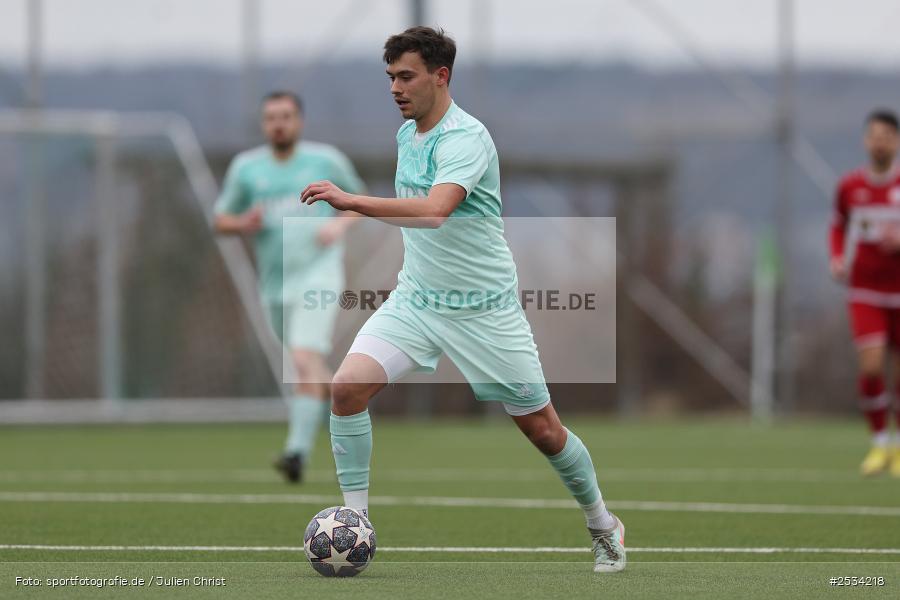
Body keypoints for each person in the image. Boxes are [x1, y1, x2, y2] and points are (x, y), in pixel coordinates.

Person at [300, 27, 625, 572]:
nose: (396, 88)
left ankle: (602, 525)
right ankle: (356, 526)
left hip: (485, 312)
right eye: (390, 78)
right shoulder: (408, 135)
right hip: (418, 301)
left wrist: (350, 199)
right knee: (347, 389)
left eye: (406, 76)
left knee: (543, 430)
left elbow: (434, 210)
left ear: (440, 76)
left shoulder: (466, 138)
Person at [215, 91, 365, 483]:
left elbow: (358, 201)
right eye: (271, 117)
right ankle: (352, 406)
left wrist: (339, 224)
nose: (278, 123)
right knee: (310, 368)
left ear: (299, 121)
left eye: (286, 116)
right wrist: (242, 222)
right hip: (275, 284)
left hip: (320, 273)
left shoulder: (325, 161)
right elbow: (220, 220)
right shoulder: (247, 168)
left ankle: (296, 452)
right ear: (264, 125)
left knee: (301, 360)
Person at [830, 109, 900, 477]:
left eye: (887, 135)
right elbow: (838, 226)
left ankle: (899, 448)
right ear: (865, 140)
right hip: (866, 290)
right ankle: (879, 443)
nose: (879, 141)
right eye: (874, 134)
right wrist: (838, 257)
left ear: (897, 141)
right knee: (872, 368)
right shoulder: (850, 187)